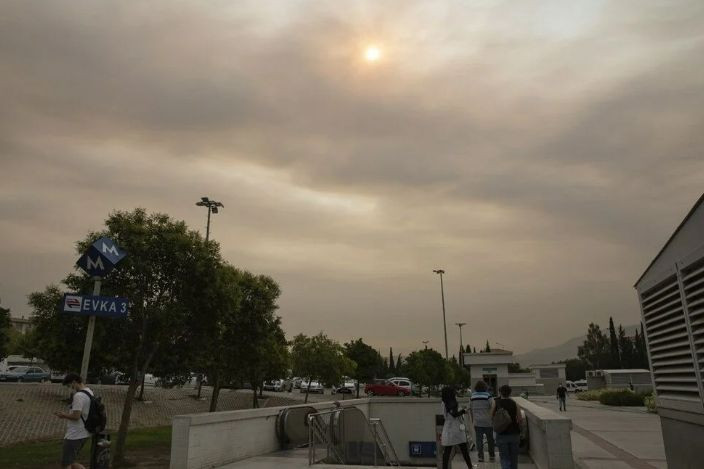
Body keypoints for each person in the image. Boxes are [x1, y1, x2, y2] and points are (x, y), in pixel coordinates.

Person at [54, 373, 93, 469]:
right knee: (72, 462)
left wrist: (63, 415)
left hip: (75, 434)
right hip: (84, 433)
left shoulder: (79, 396)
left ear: (74, 382)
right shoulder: (89, 392)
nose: (70, 388)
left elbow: (76, 416)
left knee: (66, 464)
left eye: (69, 385)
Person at [440, 386, 475, 469]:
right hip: (457, 428)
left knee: (447, 452)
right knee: (464, 450)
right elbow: (455, 414)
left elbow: (446, 415)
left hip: (447, 428)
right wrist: (464, 411)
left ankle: (444, 467)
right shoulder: (453, 402)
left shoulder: (443, 403)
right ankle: (470, 466)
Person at [492, 384, 523, 469]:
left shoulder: (496, 403)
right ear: (510, 393)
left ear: (500, 392)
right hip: (514, 433)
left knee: (504, 458)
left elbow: (491, 416)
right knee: (514, 458)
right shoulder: (515, 404)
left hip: (501, 434)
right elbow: (520, 419)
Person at [470, 380, 495, 463]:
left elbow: (470, 408)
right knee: (490, 439)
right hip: (488, 421)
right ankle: (491, 456)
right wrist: (491, 417)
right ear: (485, 387)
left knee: (479, 440)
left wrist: (473, 419)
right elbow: (493, 406)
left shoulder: (472, 396)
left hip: (477, 421)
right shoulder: (488, 396)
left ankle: (480, 457)